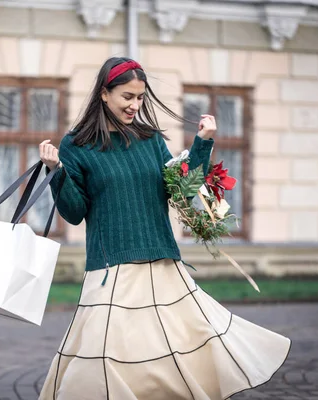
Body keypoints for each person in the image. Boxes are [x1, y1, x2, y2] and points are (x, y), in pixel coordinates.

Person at [37, 57, 291, 400]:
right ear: (104, 94)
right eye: (127, 96)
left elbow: (181, 191)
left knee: (176, 360)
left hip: (163, 265)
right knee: (103, 364)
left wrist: (202, 143)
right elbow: (74, 212)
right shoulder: (76, 146)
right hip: (112, 271)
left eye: (140, 97)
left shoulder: (149, 139)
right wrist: (56, 171)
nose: (135, 105)